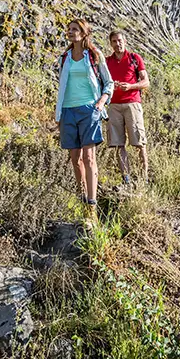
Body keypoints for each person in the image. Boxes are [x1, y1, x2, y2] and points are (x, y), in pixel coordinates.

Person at [54, 19, 114, 223]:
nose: (70, 32)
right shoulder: (65, 57)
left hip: (89, 110)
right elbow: (61, 88)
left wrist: (101, 102)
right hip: (68, 111)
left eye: (74, 29)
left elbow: (108, 83)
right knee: (74, 158)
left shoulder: (95, 56)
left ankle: (92, 206)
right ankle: (82, 200)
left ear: (84, 32)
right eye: (68, 29)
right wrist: (59, 116)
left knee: (89, 157)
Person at [105, 30, 150, 186]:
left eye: (120, 40)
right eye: (114, 41)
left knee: (139, 142)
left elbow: (145, 82)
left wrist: (131, 86)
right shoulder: (107, 61)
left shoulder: (134, 58)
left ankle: (144, 179)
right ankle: (127, 180)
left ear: (125, 41)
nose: (118, 44)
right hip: (113, 106)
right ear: (110, 44)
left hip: (132, 103)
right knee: (118, 144)